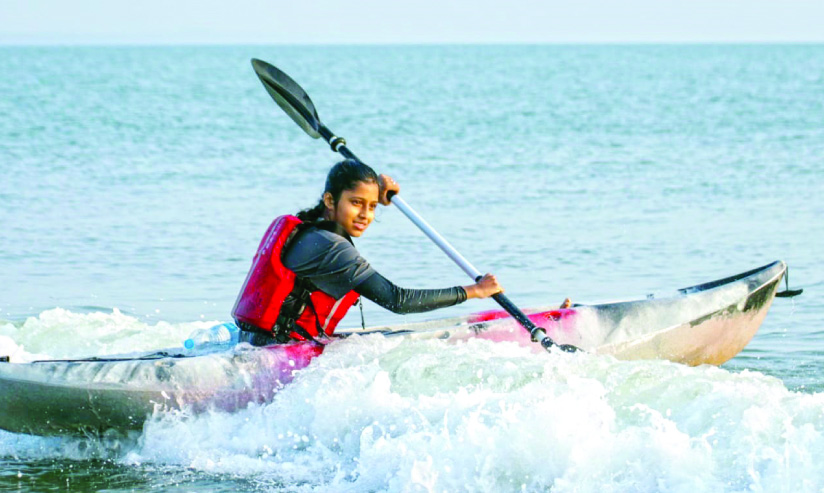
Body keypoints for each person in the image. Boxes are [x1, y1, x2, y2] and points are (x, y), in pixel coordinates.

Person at [232, 159, 503, 346]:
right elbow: (399, 301)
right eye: (356, 203)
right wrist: (474, 291)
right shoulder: (333, 249)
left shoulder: (309, 229)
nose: (366, 215)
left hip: (252, 342)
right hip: (278, 354)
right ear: (330, 200)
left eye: (372, 206)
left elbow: (352, 205)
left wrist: (372, 190)